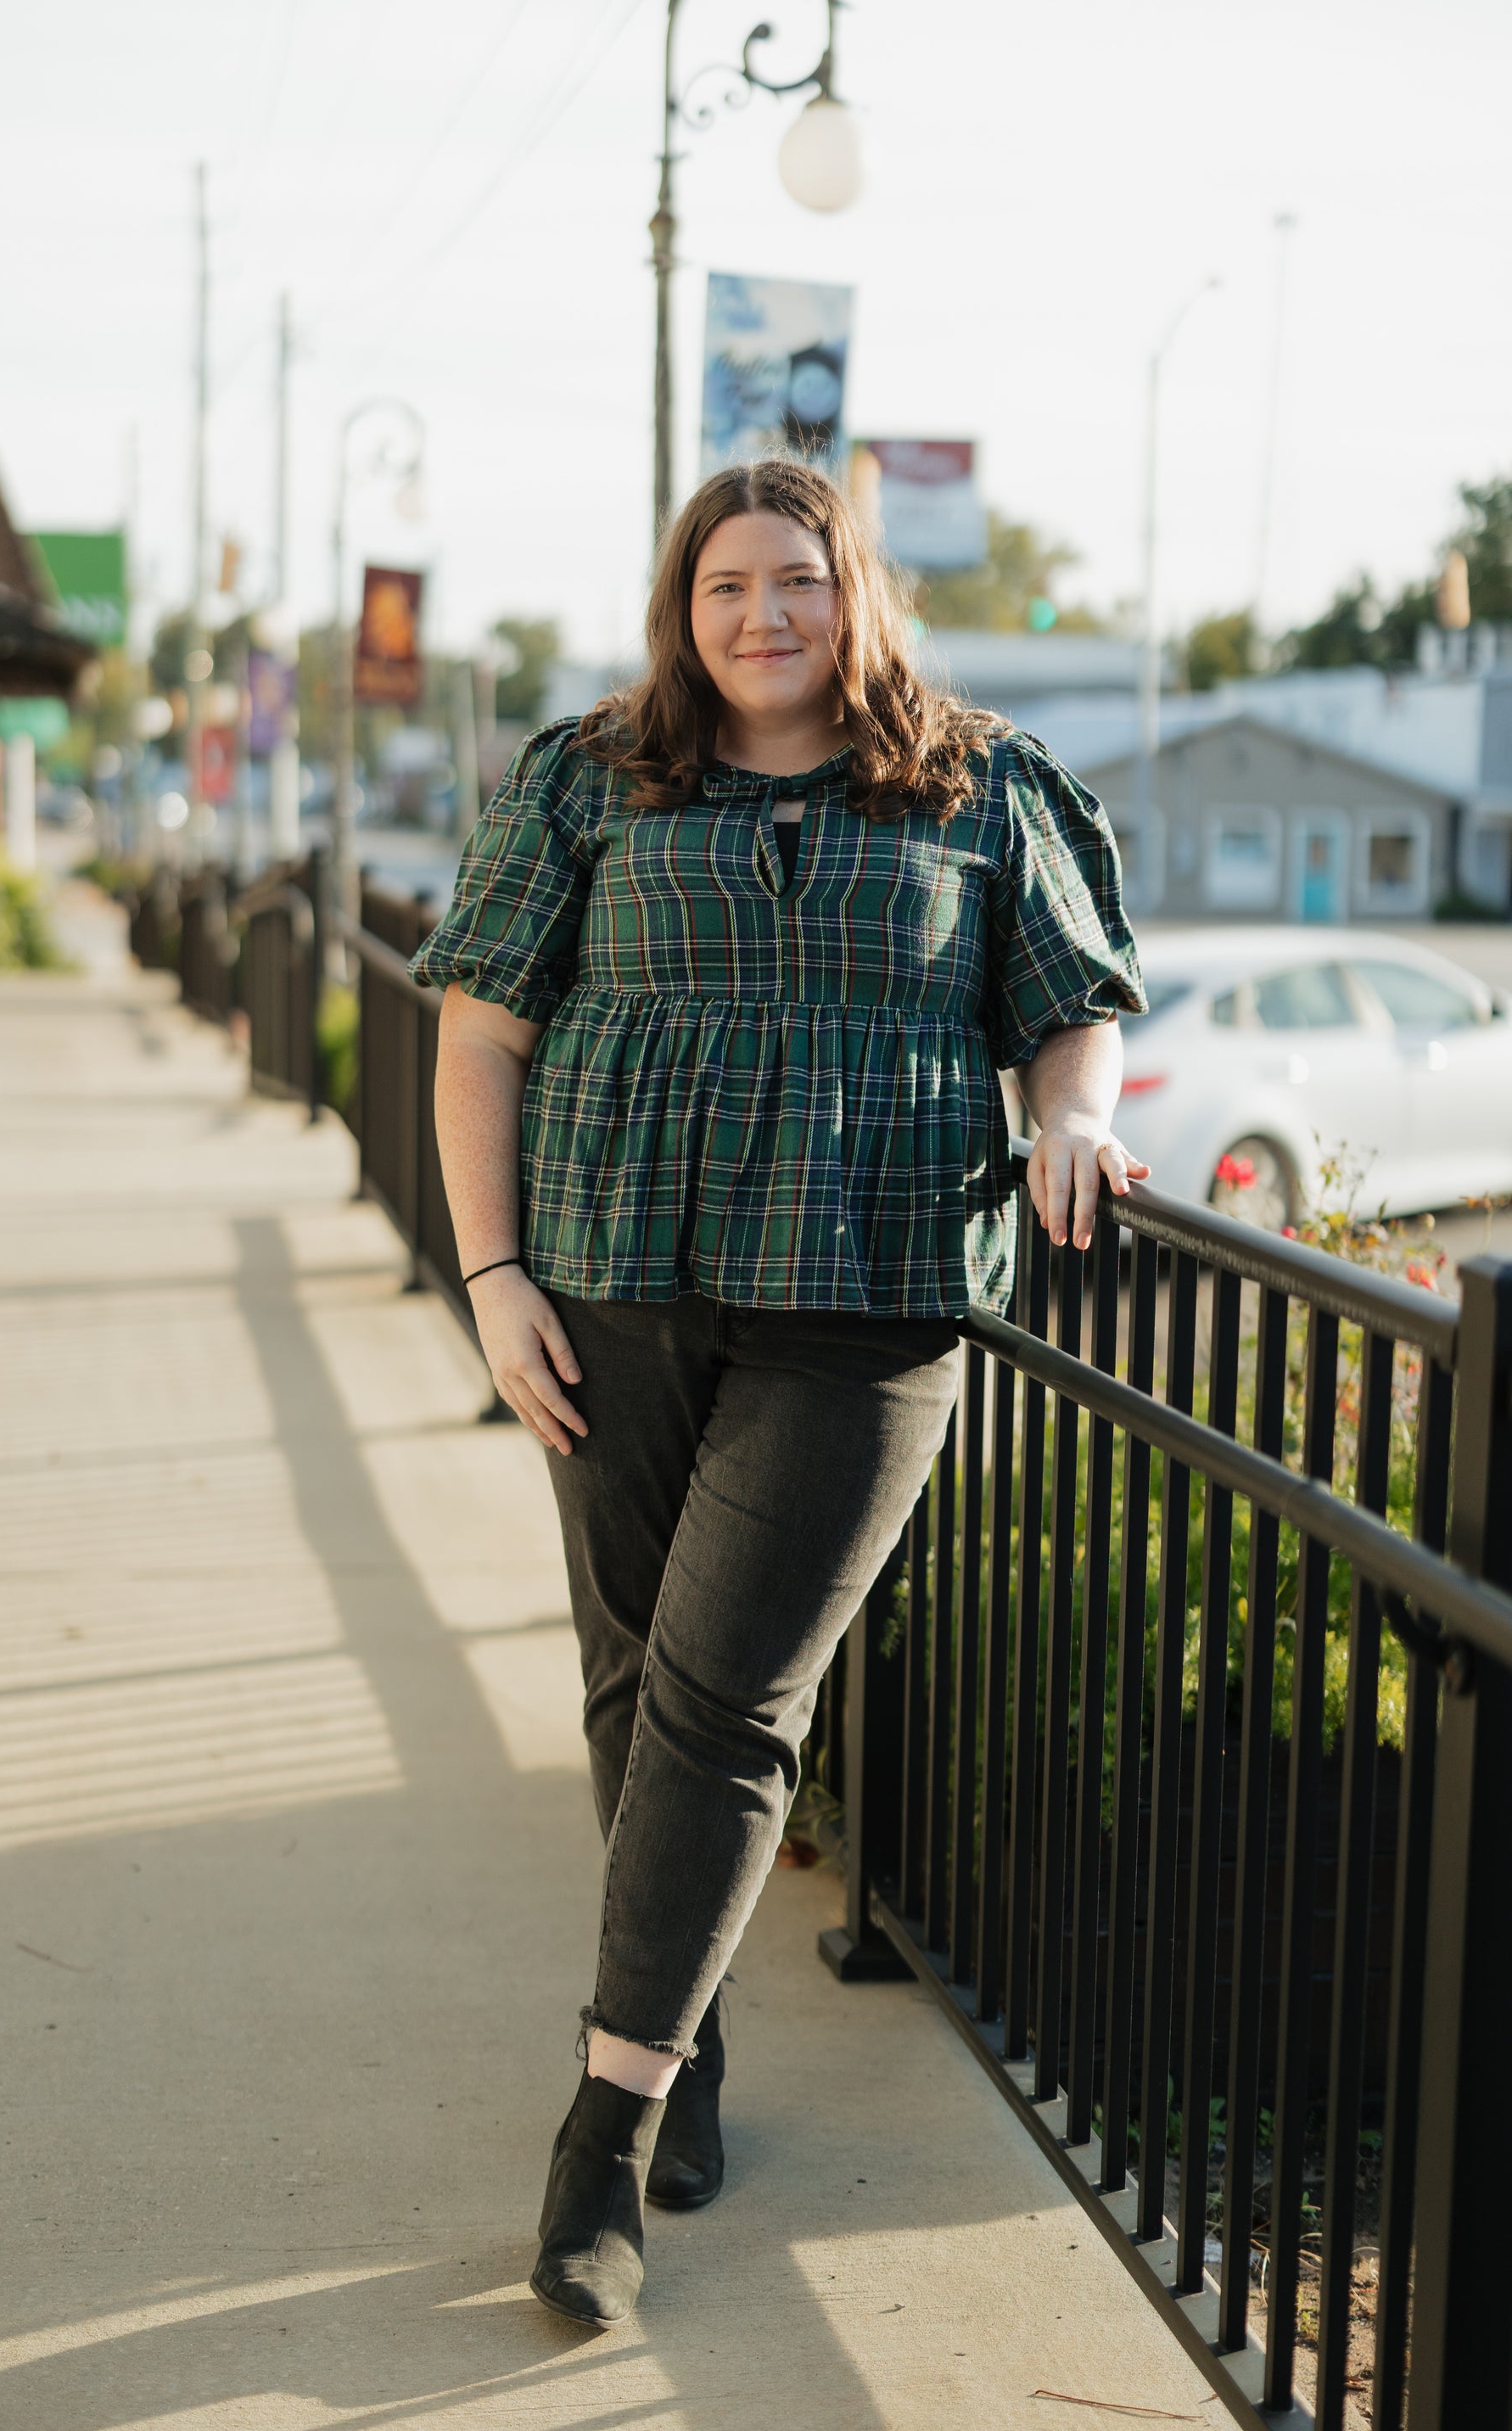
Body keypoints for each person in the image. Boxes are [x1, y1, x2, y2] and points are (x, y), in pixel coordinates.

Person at [412, 458, 1147, 2331]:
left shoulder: (979, 782)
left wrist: (1070, 1109)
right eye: (727, 583)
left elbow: (1073, 997)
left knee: (728, 1697)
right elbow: (480, 1034)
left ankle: (597, 2133)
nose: (763, 615)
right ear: (683, 604)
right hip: (611, 1287)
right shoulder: (590, 777)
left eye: (798, 581)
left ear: (854, 592)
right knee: (629, 1676)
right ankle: (685, 2039)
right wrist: (493, 1281)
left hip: (870, 1299)